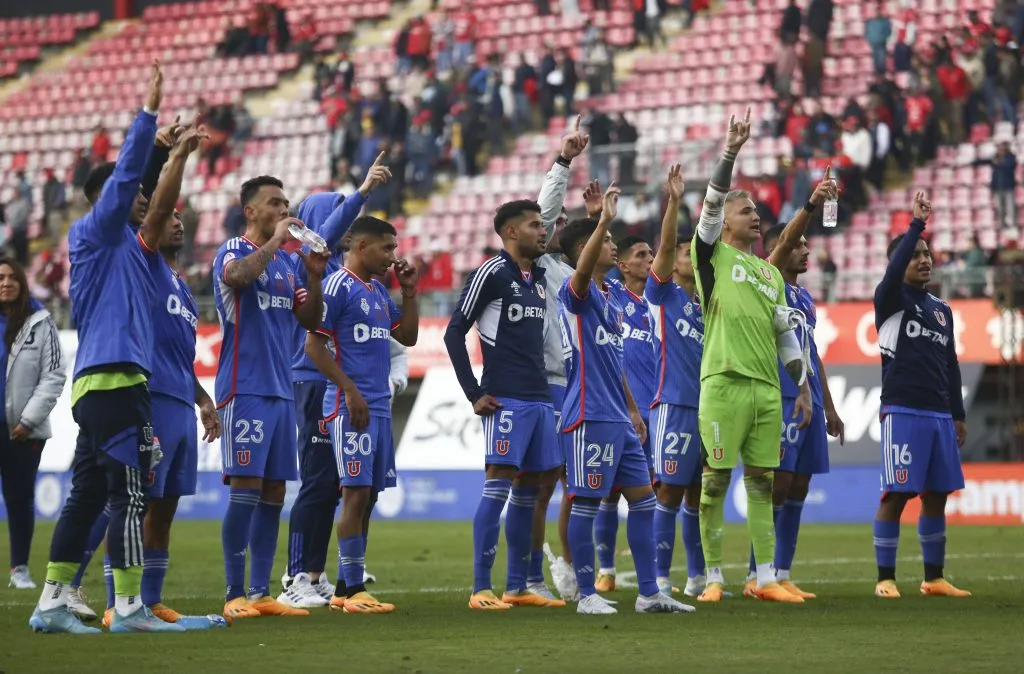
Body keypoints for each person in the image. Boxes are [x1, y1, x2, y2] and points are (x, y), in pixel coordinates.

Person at [28, 60, 189, 634]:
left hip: (101, 382)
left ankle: (51, 602)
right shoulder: (96, 231)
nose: (143, 200)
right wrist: (148, 117)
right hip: (117, 380)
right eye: (133, 193)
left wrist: (165, 156)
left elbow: (155, 203)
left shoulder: (130, 248)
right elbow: (126, 187)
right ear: (108, 199)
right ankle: (128, 608)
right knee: (129, 495)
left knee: (86, 495)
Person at [690, 109, 811, 604]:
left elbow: (785, 334)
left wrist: (801, 385)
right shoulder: (711, 255)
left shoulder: (770, 274)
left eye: (757, 210)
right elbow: (711, 202)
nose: (755, 216)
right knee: (715, 483)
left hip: (766, 390)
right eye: (745, 211)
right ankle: (713, 578)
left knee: (762, 486)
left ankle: (765, 579)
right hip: (723, 382)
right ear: (724, 222)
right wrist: (730, 153)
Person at [556, 186, 692, 615]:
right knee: (588, 503)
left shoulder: (613, 297)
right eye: (607, 242)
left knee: (644, 500)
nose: (613, 246)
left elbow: (616, 360)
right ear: (585, 250)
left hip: (620, 416)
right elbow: (581, 271)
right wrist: (602, 221)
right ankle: (587, 594)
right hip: (588, 413)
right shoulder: (574, 293)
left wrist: (633, 409)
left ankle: (650, 593)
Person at [278, 154, 391, 609]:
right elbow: (325, 235)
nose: (347, 222)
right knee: (317, 481)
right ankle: (294, 576)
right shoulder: (304, 262)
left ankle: (316, 572)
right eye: (338, 211)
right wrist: (363, 191)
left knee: (333, 485)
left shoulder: (336, 274)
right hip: (312, 380)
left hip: (328, 381)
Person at [212, 175, 327, 619]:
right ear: (251, 211)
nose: (284, 210)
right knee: (245, 488)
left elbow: (309, 319)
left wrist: (313, 276)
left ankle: (261, 592)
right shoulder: (234, 250)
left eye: (285, 203)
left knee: (275, 490)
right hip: (245, 385)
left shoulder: (286, 265)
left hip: (281, 388)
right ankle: (233, 593)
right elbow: (237, 277)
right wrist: (278, 240)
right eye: (274, 203)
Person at [443, 200, 566, 611]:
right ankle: (481, 588)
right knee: (498, 486)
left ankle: (517, 587)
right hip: (505, 397)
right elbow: (454, 332)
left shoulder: (539, 279)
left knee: (529, 491)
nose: (543, 231)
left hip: (540, 396)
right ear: (511, 232)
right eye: (535, 225)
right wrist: (473, 392)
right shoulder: (492, 273)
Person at [305, 215, 419, 613]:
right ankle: (353, 590)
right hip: (349, 406)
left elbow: (408, 337)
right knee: (354, 494)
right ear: (361, 246)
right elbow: (313, 348)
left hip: (379, 407)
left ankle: (344, 586)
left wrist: (409, 293)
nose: (392, 256)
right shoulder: (337, 286)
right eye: (386, 248)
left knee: (367, 496)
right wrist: (350, 390)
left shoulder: (378, 291)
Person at [747, 169, 846, 600]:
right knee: (778, 485)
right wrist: (812, 203)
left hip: (810, 399)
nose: (806, 251)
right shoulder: (767, 283)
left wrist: (830, 406)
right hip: (781, 395)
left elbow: (812, 352)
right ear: (780, 249)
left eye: (807, 245)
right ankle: (757, 574)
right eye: (799, 245)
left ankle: (782, 573)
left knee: (800, 486)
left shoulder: (805, 298)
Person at [872, 193, 971, 599]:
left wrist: (957, 413)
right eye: (915, 255)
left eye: (927, 254)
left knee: (937, 495)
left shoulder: (941, 309)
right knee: (896, 494)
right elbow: (894, 271)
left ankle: (934, 578)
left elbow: (951, 363)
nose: (924, 260)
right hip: (903, 410)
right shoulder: (891, 298)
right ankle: (885, 579)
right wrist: (916, 225)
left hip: (939, 414)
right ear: (899, 263)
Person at [645, 165, 706, 597]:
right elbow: (666, 246)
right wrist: (675, 201)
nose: (688, 256)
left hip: (708, 406)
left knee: (699, 493)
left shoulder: (707, 305)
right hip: (673, 403)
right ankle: (660, 578)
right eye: (686, 252)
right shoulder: (662, 294)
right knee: (669, 491)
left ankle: (699, 576)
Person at [535, 118, 589, 602]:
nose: (557, 226)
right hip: (546, 383)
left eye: (562, 225)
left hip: (579, 385)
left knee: (577, 482)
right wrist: (564, 161)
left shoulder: (574, 275)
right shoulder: (537, 266)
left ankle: (571, 565)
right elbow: (545, 209)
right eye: (552, 224)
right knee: (543, 483)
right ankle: (531, 574)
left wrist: (596, 220)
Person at [592, 232, 656, 593]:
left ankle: (657, 576)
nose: (649, 260)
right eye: (641, 254)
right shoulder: (612, 293)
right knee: (609, 493)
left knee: (649, 494)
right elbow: (588, 264)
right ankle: (606, 570)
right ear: (623, 265)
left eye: (651, 254)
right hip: (620, 410)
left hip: (657, 412)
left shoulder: (662, 300)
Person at [1, 259, 66, 591]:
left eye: (13, 277)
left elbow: (54, 375)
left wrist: (28, 420)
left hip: (20, 431)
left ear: (23, 283)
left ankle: (20, 569)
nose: (6, 283)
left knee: (19, 499)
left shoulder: (40, 322)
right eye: (0, 277)